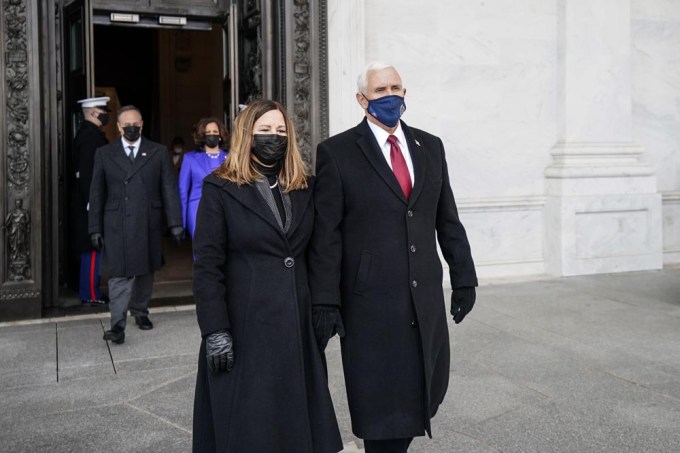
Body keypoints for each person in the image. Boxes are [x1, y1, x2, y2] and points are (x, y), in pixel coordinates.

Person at [308, 62, 478, 453]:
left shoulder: (429, 146)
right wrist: (325, 300)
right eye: (379, 89)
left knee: (421, 390)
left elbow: (446, 217)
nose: (388, 95)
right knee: (380, 404)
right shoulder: (336, 153)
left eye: (394, 87)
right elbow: (326, 236)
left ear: (405, 93)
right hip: (370, 303)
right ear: (361, 99)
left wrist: (464, 276)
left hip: (424, 298)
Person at [191, 99, 342, 453]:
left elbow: (322, 252)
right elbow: (207, 265)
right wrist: (215, 329)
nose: (274, 138)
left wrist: (325, 304)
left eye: (280, 131)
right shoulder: (220, 188)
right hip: (245, 325)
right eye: (264, 131)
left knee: (295, 422)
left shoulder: (306, 185)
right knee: (251, 425)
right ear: (247, 135)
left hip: (295, 322)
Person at [88, 105, 183, 345]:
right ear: (119, 127)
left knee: (145, 270)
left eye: (136, 123)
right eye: (127, 124)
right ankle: (117, 325)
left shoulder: (157, 151)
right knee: (118, 274)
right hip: (115, 223)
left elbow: (169, 190)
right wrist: (95, 228)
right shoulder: (104, 153)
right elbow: (96, 193)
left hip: (147, 222)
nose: (132, 127)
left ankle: (140, 311)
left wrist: (175, 224)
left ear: (142, 125)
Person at [71, 96, 110, 304]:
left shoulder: (92, 134)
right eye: (103, 111)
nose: (106, 115)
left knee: (93, 248)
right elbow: (86, 174)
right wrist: (92, 201)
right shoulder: (89, 137)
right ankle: (90, 293)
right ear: (94, 113)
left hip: (89, 200)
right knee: (92, 249)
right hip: (89, 202)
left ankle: (91, 291)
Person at [178, 117, 229, 238]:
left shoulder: (230, 158)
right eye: (208, 133)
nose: (212, 135)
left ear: (220, 135)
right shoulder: (189, 158)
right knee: (201, 250)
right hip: (196, 209)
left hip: (225, 209)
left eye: (215, 132)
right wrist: (182, 223)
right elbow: (182, 192)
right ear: (202, 136)